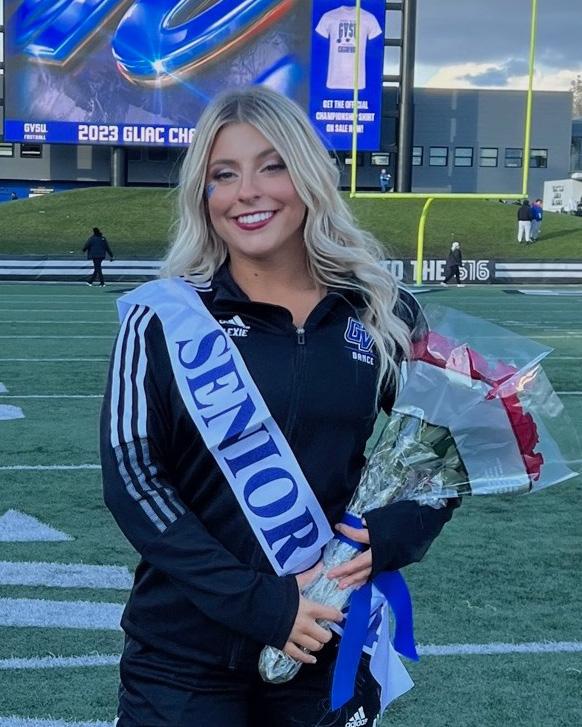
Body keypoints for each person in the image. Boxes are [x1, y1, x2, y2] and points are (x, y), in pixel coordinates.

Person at [101, 86, 459, 727]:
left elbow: (446, 443)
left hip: (327, 638)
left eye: (273, 166)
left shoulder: (381, 310)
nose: (247, 192)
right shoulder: (160, 318)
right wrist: (262, 604)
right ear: (203, 195)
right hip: (183, 654)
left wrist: (402, 531)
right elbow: (135, 482)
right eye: (223, 174)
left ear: (310, 175)